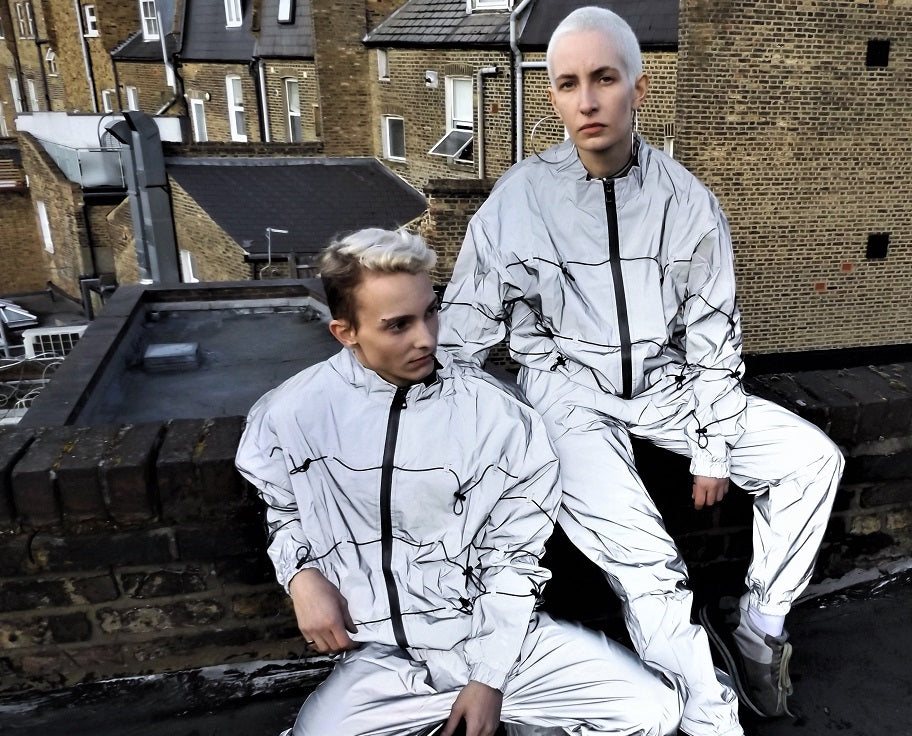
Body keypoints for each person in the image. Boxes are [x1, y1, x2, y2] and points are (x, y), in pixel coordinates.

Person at [439, 6, 845, 732]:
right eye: (567, 84)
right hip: (567, 394)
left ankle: (758, 629)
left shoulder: (687, 202)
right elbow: (460, 339)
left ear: (639, 87)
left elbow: (714, 337)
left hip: (666, 385)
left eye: (603, 78)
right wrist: (467, 442)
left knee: (812, 461)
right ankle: (710, 720)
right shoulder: (519, 202)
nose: (586, 101)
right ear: (552, 94)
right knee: (649, 565)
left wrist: (713, 447)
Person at [237, 228, 680, 736]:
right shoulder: (291, 413)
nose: (426, 338)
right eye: (398, 325)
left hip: (500, 641)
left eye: (431, 312)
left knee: (652, 711)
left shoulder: (499, 416)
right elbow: (284, 508)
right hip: (382, 655)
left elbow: (514, 555)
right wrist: (302, 577)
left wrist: (488, 678)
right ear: (346, 332)